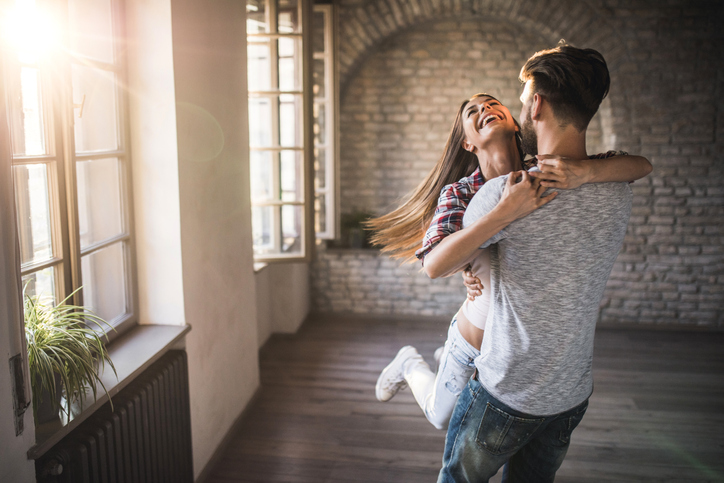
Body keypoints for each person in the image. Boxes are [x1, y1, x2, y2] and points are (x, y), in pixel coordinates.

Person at [369, 91, 652, 431]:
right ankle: (410, 363)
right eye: (472, 111)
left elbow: (641, 165)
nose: (484, 109)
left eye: (491, 103)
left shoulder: (551, 172)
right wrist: (502, 214)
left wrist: (586, 171)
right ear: (467, 143)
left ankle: (441, 359)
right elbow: (433, 265)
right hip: (473, 340)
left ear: (516, 122)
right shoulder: (460, 193)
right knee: (439, 417)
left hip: (515, 355)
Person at [433, 43, 639, 482]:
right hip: (570, 395)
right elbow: (638, 165)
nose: (519, 105)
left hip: (505, 393)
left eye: (523, 98)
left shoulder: (502, 195)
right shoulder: (620, 188)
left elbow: (450, 261)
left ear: (537, 105)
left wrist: (498, 218)